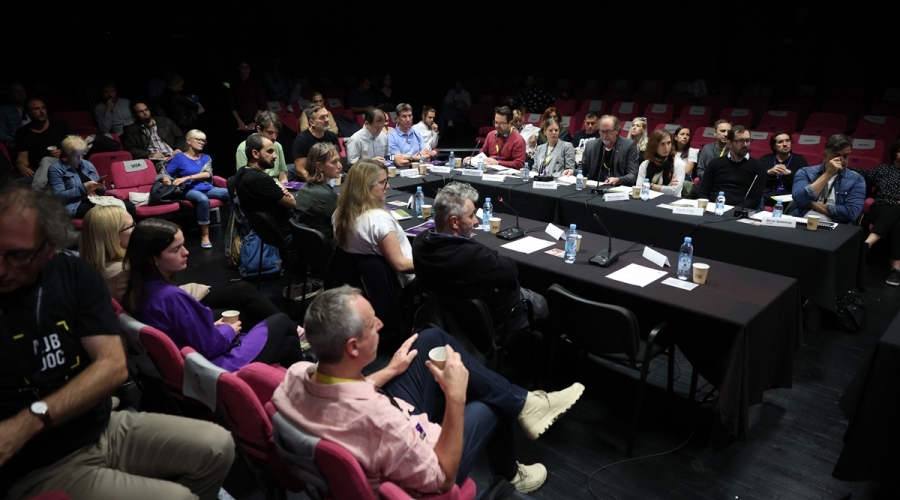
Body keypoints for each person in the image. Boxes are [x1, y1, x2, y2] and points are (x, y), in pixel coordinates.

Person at [0, 184, 234, 500]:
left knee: (218, 445)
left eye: (18, 255)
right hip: (40, 463)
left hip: (102, 426)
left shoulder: (74, 274)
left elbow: (112, 367)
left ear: (49, 246)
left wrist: (32, 418)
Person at [271, 286, 584, 494]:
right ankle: (509, 473)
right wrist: (455, 398)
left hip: (380, 424)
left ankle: (526, 404)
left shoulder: (296, 374)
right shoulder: (381, 422)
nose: (380, 323)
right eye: (371, 324)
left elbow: (342, 395)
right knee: (489, 403)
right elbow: (440, 480)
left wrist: (388, 371)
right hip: (420, 460)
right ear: (353, 347)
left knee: (429, 339)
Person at [123, 218, 305, 371]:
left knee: (289, 343)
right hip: (215, 367)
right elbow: (211, 346)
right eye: (175, 249)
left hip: (193, 364)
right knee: (281, 320)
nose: (186, 252)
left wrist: (212, 327)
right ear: (152, 259)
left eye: (183, 245)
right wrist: (227, 330)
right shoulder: (171, 297)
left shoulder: (141, 289)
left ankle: (303, 380)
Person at [80, 206, 288, 326]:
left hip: (177, 303)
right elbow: (159, 309)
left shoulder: (94, 267)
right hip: (177, 313)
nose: (137, 228)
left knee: (242, 291)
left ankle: (289, 330)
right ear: (113, 236)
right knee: (243, 311)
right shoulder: (123, 272)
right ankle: (289, 332)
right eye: (132, 226)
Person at [413, 181, 550, 332]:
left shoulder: (419, 242)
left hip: (444, 320)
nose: (476, 221)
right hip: (492, 321)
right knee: (543, 303)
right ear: (454, 222)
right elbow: (511, 269)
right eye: (471, 216)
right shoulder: (473, 256)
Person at [333, 159, 414, 288]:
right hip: (401, 283)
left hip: (363, 286)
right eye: (382, 182)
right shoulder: (379, 220)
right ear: (365, 187)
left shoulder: (338, 214)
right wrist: (428, 264)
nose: (388, 186)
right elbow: (401, 265)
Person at [162, 129, 230, 248]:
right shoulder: (179, 158)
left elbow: (207, 174)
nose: (201, 142)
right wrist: (166, 180)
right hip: (189, 190)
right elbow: (165, 174)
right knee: (202, 199)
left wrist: (187, 177)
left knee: (232, 193)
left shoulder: (206, 157)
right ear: (188, 141)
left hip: (207, 188)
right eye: (198, 140)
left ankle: (238, 226)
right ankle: (205, 235)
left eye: (203, 141)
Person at [47, 135, 136, 219]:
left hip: (93, 199)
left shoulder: (87, 164)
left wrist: (100, 187)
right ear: (66, 155)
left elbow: (101, 192)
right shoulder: (55, 169)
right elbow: (59, 196)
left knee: (129, 206)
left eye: (82, 155)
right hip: (74, 205)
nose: (80, 159)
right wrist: (84, 188)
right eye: (76, 156)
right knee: (106, 213)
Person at [791, 134, 864, 224]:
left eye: (846, 156)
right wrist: (828, 174)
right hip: (803, 219)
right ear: (824, 155)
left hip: (836, 224)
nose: (841, 161)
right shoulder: (805, 172)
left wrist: (811, 204)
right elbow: (799, 199)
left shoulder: (856, 179)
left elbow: (851, 213)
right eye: (836, 156)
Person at [857, 139, 900, 285]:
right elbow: (864, 174)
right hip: (881, 207)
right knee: (897, 223)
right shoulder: (883, 169)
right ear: (895, 154)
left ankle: (867, 244)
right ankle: (896, 270)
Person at [235, 134, 297, 236]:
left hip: (263, 233)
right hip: (285, 232)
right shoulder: (262, 179)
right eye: (270, 151)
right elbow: (292, 203)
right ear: (255, 153)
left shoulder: (240, 173)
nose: (275, 156)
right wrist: (283, 191)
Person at [697, 126, 768, 207]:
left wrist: (734, 211)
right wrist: (708, 207)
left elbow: (755, 199)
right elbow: (702, 192)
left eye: (748, 140)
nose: (745, 144)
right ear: (729, 143)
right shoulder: (715, 163)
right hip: (713, 208)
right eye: (741, 141)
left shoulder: (759, 167)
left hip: (740, 210)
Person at [13, 98, 73, 188]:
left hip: (63, 165)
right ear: (28, 113)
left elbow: (77, 147)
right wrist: (20, 165)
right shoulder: (23, 133)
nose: (41, 111)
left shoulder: (60, 125)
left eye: (43, 108)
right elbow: (22, 158)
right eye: (36, 109)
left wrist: (63, 152)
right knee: (15, 184)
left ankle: (36, 191)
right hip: (38, 171)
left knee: (46, 160)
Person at [296, 142, 342, 244]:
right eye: (334, 162)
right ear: (319, 166)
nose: (340, 166)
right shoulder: (327, 195)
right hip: (331, 246)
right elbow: (346, 224)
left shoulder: (303, 188)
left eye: (339, 160)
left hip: (310, 246)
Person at [583, 115, 640, 186]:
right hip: (593, 185)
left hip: (617, 187)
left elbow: (632, 175)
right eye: (602, 131)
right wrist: (572, 171)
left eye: (608, 131)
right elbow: (582, 169)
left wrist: (618, 180)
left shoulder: (628, 146)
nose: (604, 135)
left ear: (617, 131)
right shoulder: (591, 145)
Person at [121, 101, 186, 161]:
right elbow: (131, 149)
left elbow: (181, 138)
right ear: (135, 115)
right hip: (156, 160)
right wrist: (150, 155)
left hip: (174, 155)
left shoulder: (165, 121)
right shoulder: (133, 130)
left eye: (146, 110)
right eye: (141, 111)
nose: (145, 113)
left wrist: (178, 150)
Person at [235, 111, 289, 183]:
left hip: (277, 187)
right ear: (259, 129)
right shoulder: (243, 147)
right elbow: (244, 180)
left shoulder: (277, 145)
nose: (274, 137)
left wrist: (284, 188)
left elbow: (283, 176)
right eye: (270, 133)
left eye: (276, 133)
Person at [758, 131, 807, 206]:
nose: (785, 144)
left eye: (788, 141)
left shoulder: (800, 160)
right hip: (768, 194)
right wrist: (768, 172)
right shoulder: (765, 159)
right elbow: (755, 179)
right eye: (780, 142)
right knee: (756, 199)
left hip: (790, 195)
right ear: (774, 146)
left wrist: (790, 173)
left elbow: (806, 181)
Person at [292, 104, 341, 179]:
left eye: (327, 116)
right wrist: (316, 182)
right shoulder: (301, 139)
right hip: (310, 180)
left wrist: (337, 180)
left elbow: (337, 161)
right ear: (312, 123)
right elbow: (300, 170)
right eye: (322, 117)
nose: (327, 120)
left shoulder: (332, 136)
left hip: (330, 178)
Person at [636, 130, 685, 198]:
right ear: (654, 146)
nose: (667, 147)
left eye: (669, 143)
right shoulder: (645, 164)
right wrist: (666, 188)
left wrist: (650, 185)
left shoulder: (679, 164)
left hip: (670, 201)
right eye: (662, 144)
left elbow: (674, 191)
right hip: (649, 199)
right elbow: (639, 188)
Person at [388, 103, 435, 167]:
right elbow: (399, 162)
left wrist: (406, 157)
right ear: (397, 118)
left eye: (410, 116)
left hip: (419, 169)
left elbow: (427, 158)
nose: (408, 119)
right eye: (404, 116)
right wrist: (418, 157)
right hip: (402, 171)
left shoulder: (417, 133)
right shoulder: (391, 137)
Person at [230, 60, 267, 133]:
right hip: (239, 120)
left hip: (255, 119)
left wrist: (254, 121)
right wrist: (239, 121)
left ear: (249, 68)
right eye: (242, 67)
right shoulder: (234, 84)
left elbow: (262, 104)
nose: (245, 69)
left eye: (247, 67)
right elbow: (231, 105)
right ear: (238, 69)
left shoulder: (256, 83)